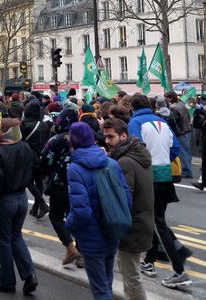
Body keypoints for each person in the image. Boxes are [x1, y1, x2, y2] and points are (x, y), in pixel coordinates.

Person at [128, 93, 191, 290]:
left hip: (149, 176)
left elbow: (135, 148)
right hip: (165, 175)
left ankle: (179, 268)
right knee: (155, 219)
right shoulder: (162, 122)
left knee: (157, 223)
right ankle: (150, 260)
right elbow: (175, 149)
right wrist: (162, 159)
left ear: (132, 107)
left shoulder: (135, 122)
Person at [66, 122, 130, 300]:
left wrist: (69, 225)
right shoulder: (111, 163)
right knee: (106, 281)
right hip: (112, 230)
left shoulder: (75, 169)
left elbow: (81, 211)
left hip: (90, 236)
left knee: (100, 288)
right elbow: (126, 198)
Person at [0, 118, 38, 295]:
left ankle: (7, 280)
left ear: (5, 131)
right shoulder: (25, 147)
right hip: (21, 197)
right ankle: (29, 275)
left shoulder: (0, 153)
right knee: (16, 237)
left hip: (6, 200)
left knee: (5, 241)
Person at [103, 117, 154, 300]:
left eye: (111, 137)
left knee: (131, 276)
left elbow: (124, 201)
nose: (107, 141)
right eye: (106, 137)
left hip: (131, 227)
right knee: (130, 274)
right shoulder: (138, 154)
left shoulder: (125, 163)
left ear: (124, 136)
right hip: (141, 223)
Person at [40, 108, 83, 267]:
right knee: (76, 217)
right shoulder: (83, 136)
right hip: (80, 183)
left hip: (60, 183)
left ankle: (70, 247)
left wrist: (48, 173)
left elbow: (44, 160)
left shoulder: (56, 139)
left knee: (56, 217)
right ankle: (82, 254)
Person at [21, 100, 50, 219]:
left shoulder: (25, 125)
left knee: (27, 181)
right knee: (38, 182)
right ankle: (35, 207)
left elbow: (20, 140)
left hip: (29, 156)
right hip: (42, 156)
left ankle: (42, 204)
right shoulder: (44, 124)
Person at [165, 91, 193, 178]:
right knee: (187, 152)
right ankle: (188, 168)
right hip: (187, 130)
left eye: (167, 98)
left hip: (180, 132)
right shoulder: (182, 104)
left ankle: (187, 171)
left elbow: (173, 121)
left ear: (170, 98)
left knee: (183, 152)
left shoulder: (173, 108)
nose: (166, 100)